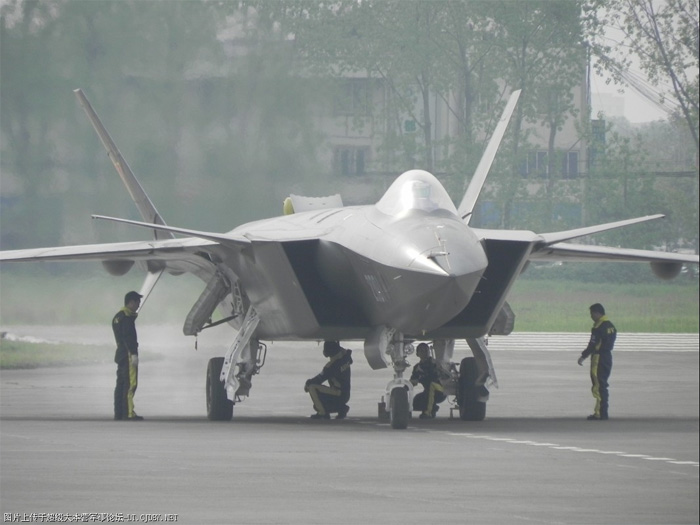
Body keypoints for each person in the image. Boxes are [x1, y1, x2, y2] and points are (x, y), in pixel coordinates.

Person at [577, 303, 616, 420]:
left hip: (598, 358)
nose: (591, 316)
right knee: (603, 384)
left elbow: (593, 344)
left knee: (598, 386)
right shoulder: (611, 326)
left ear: (597, 313)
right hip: (608, 357)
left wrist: (583, 356)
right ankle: (603, 411)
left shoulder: (598, 327)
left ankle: (600, 413)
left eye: (592, 314)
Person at [112, 290, 144, 421]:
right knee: (130, 384)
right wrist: (134, 354)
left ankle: (119, 413)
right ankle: (129, 413)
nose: (138, 306)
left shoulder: (118, 317)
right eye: (137, 303)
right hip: (128, 355)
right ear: (131, 302)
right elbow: (128, 338)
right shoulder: (126, 318)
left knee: (120, 384)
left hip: (120, 354)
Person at [305, 341, 353, 419]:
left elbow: (319, 379)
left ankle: (322, 413)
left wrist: (308, 383)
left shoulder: (331, 366)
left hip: (338, 393)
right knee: (320, 402)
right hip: (345, 394)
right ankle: (341, 408)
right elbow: (348, 356)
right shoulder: (346, 358)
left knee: (312, 387)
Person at [410, 343, 446, 419]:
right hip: (429, 391)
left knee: (431, 385)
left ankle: (428, 412)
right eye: (422, 351)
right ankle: (433, 408)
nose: (425, 353)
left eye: (426, 350)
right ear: (417, 354)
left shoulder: (434, 363)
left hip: (440, 390)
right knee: (417, 401)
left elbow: (433, 377)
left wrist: (420, 379)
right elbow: (412, 381)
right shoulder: (417, 367)